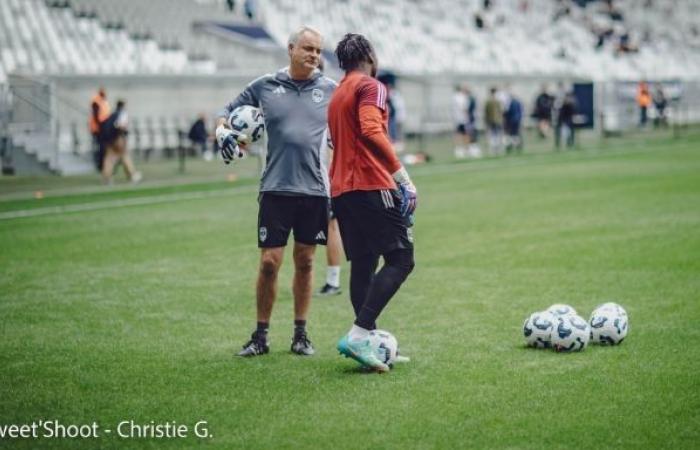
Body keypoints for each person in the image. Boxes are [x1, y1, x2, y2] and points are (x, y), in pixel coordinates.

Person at [216, 26, 336, 357]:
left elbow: (351, 124)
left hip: (314, 190)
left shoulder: (330, 89)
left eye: (318, 50)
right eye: (307, 48)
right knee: (269, 262)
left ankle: (301, 334)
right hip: (275, 189)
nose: (313, 55)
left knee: (307, 262)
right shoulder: (266, 86)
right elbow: (223, 114)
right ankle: (260, 336)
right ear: (291, 49)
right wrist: (221, 132)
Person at [328, 33, 417, 373]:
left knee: (364, 263)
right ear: (369, 55)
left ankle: (365, 340)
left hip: (343, 190)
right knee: (401, 259)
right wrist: (402, 177)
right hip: (370, 184)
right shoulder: (370, 86)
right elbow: (371, 129)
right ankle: (359, 332)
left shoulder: (337, 93)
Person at [100, 100, 142, 184]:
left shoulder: (112, 114)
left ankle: (107, 178)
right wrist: (123, 137)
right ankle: (132, 175)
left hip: (109, 140)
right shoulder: (122, 113)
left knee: (109, 159)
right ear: (123, 105)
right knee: (124, 156)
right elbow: (121, 126)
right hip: (118, 138)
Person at [88, 87, 110, 172]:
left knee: (103, 147)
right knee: (101, 147)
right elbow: (96, 116)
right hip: (98, 129)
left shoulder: (103, 101)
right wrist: (101, 127)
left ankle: (102, 164)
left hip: (102, 127)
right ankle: (100, 165)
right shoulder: (96, 101)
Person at [484, 87, 504, 155]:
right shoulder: (497, 101)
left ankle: (495, 150)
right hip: (495, 120)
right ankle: (497, 149)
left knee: (494, 135)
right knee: (496, 135)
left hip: (492, 120)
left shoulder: (489, 101)